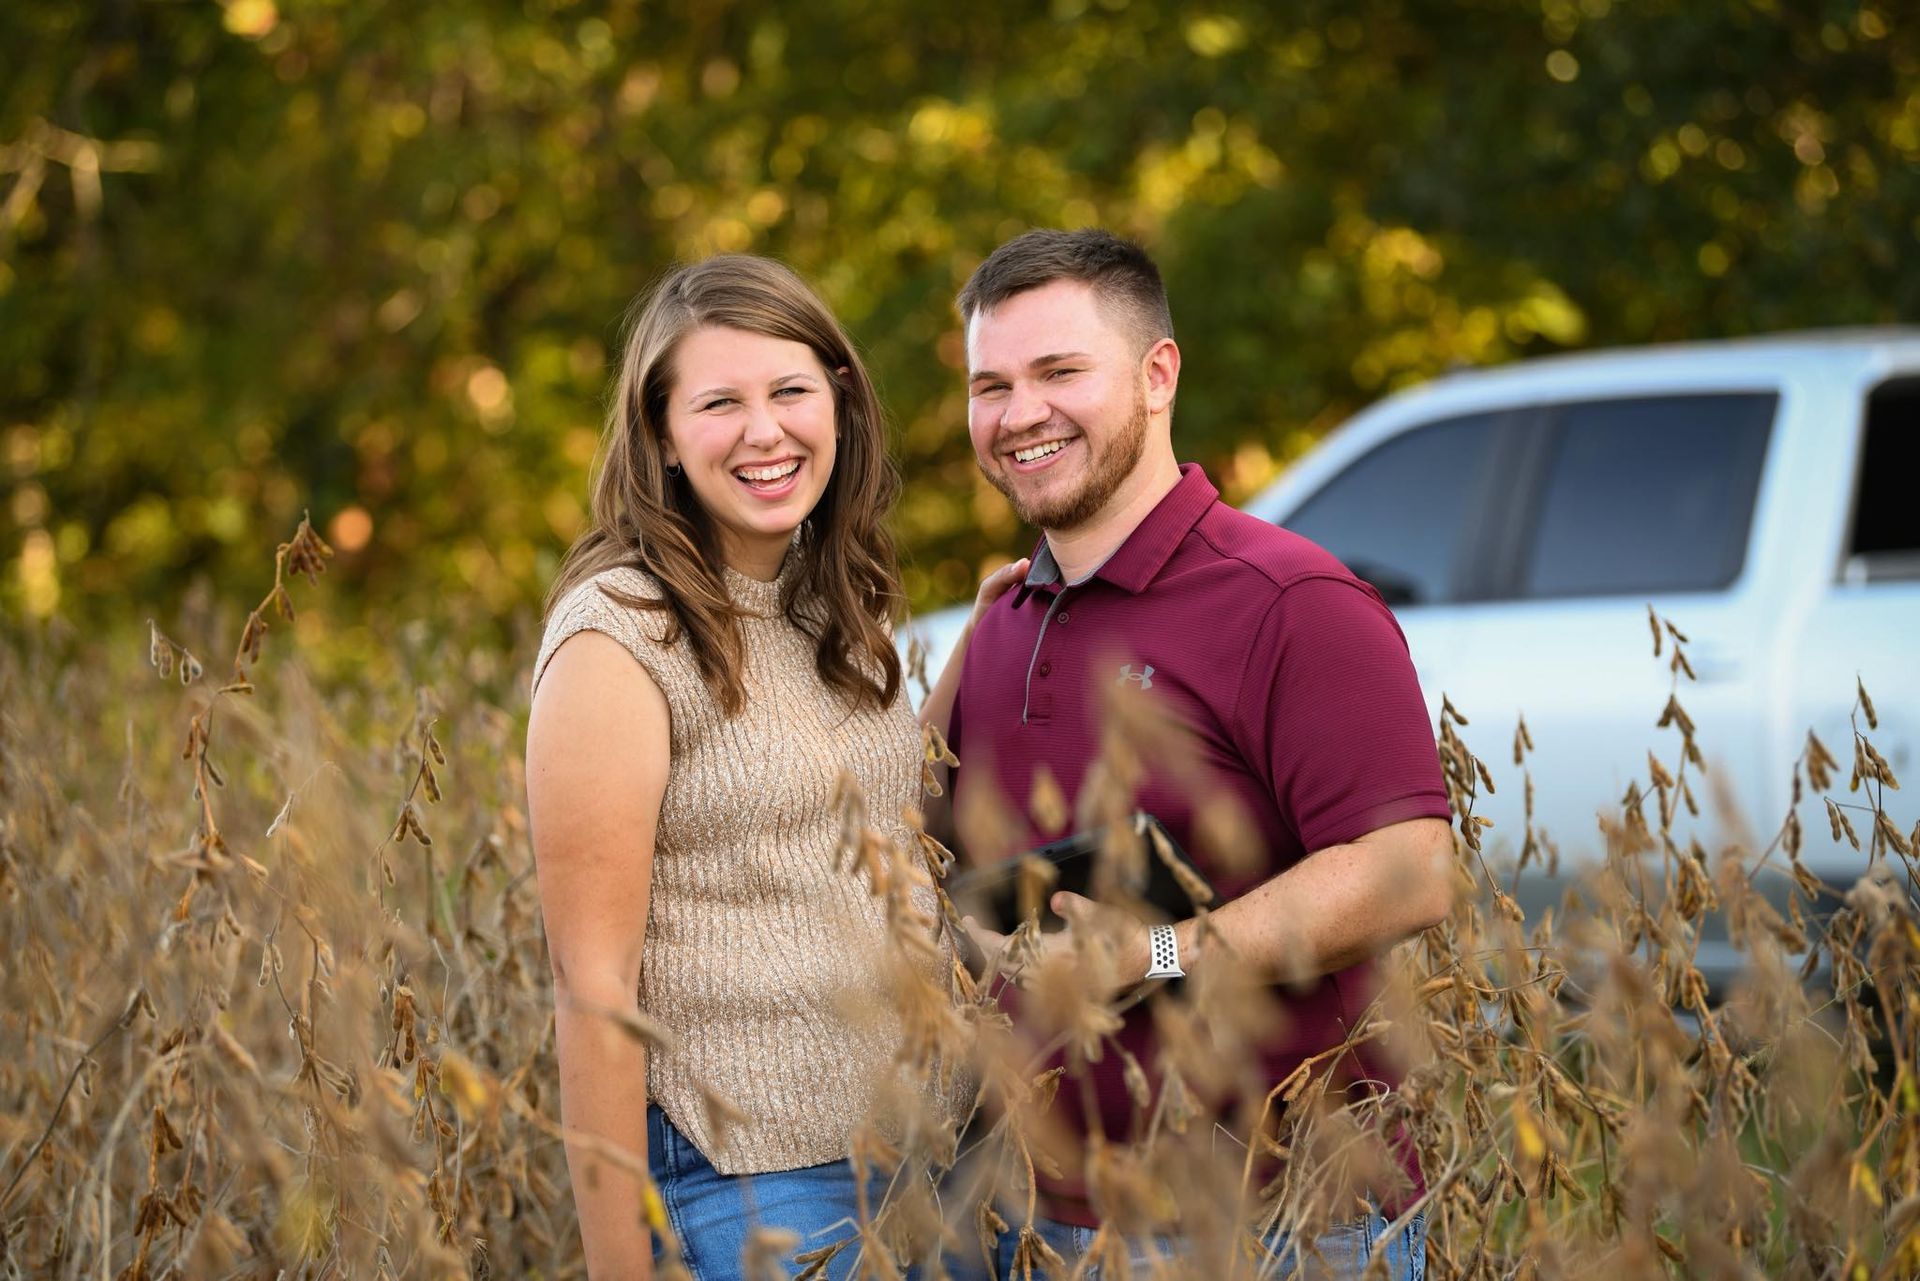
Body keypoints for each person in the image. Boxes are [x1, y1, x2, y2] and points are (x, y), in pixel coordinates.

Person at [940, 229, 1455, 1278]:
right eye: (989, 384)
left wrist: (1154, 955)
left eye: (1059, 372)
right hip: (1038, 1223)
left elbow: (1409, 870)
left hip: (1277, 1224)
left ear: (1157, 373)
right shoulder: (1002, 621)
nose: (1019, 413)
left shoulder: (1289, 601)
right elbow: (940, 861)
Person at [525, 255, 1022, 1279]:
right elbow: (594, 985)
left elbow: (864, 814)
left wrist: (977, 650)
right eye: (720, 403)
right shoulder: (618, 639)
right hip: (753, 1181)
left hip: (928, 1157)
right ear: (663, 434)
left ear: (837, 402)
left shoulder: (833, 594)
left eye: (791, 391)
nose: (766, 431)